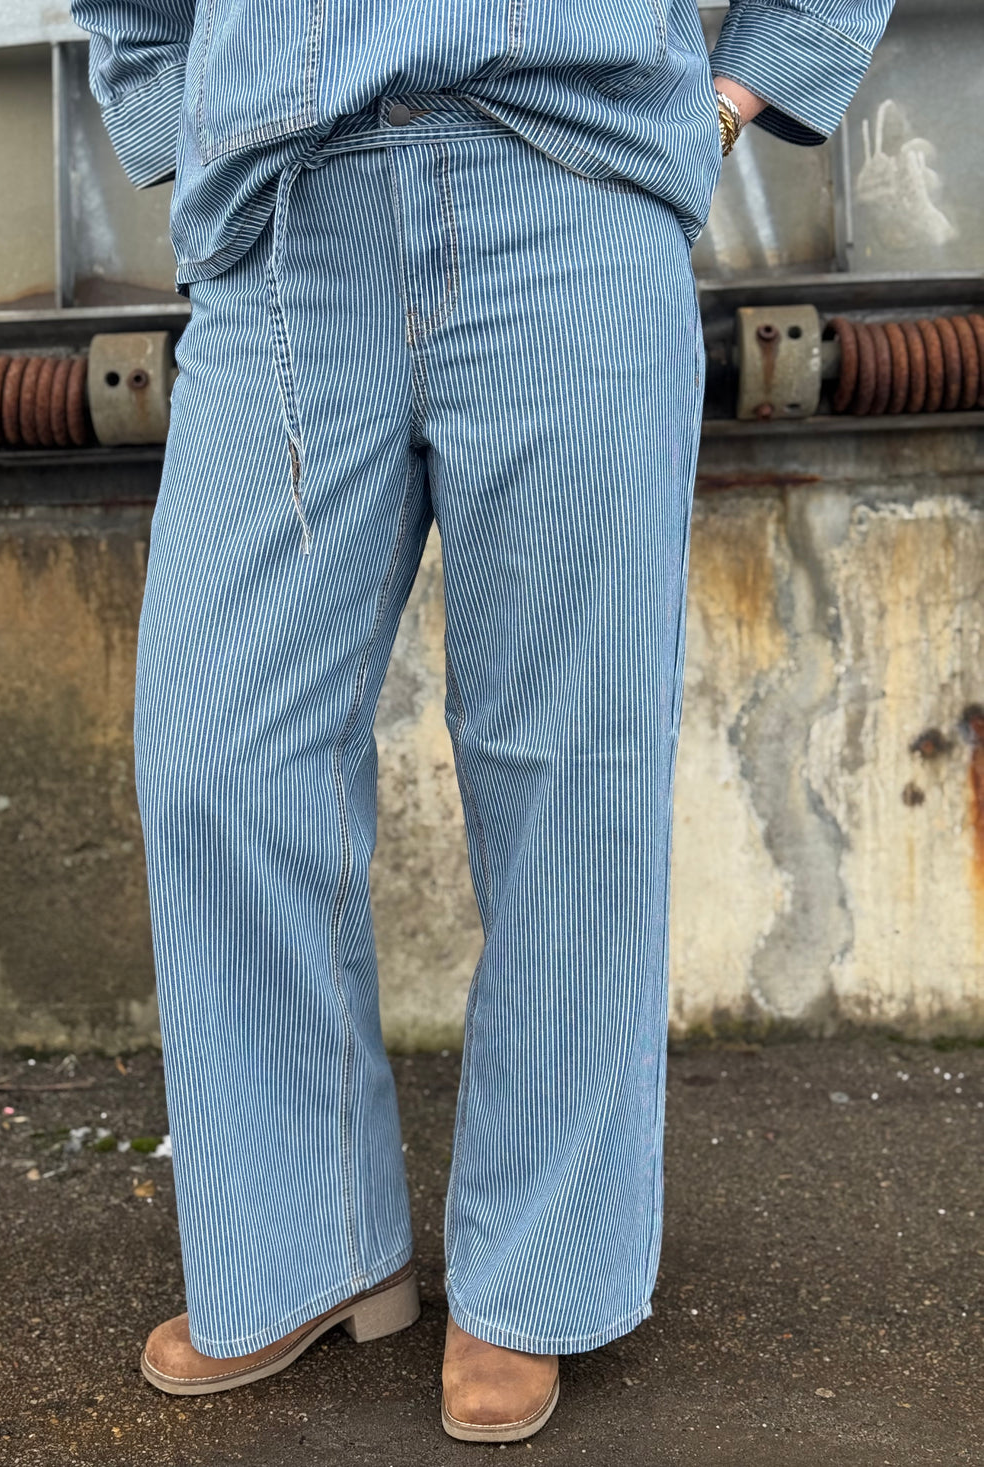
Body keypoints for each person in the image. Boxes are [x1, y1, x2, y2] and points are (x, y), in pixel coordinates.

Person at [70, 0, 895, 1442]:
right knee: (214, 753)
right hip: (288, 218)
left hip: (567, 186)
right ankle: (302, 1244)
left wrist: (732, 99)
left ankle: (537, 1276)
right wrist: (177, 105)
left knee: (570, 763)